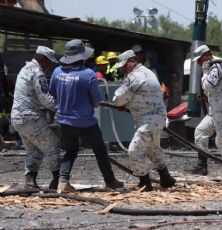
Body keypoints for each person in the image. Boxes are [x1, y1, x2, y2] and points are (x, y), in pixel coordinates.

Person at [49, 39, 124, 193]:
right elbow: (96, 101)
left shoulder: (57, 72)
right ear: (81, 56)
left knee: (70, 151)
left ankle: (63, 181)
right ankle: (110, 181)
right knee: (100, 151)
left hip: (64, 121)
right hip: (85, 123)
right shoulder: (88, 74)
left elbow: (52, 93)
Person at [110, 50, 176, 192]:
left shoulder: (135, 76)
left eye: (124, 65)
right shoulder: (147, 72)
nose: (122, 69)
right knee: (153, 148)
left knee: (134, 150)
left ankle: (145, 183)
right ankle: (166, 179)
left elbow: (118, 99)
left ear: (132, 61)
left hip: (149, 119)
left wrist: (120, 103)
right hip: (154, 117)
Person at [189, 45, 222, 182]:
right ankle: (202, 166)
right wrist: (207, 97)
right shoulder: (213, 68)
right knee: (200, 132)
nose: (198, 62)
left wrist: (205, 71)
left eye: (200, 59)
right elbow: (216, 89)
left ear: (207, 55)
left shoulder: (216, 67)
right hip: (215, 111)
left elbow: (208, 85)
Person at [11, 46, 61, 189]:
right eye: (49, 62)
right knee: (52, 145)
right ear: (41, 58)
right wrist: (61, 108)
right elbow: (45, 99)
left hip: (18, 117)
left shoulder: (24, 69)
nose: (50, 66)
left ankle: (30, 180)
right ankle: (57, 179)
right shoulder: (37, 73)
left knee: (34, 149)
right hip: (30, 116)